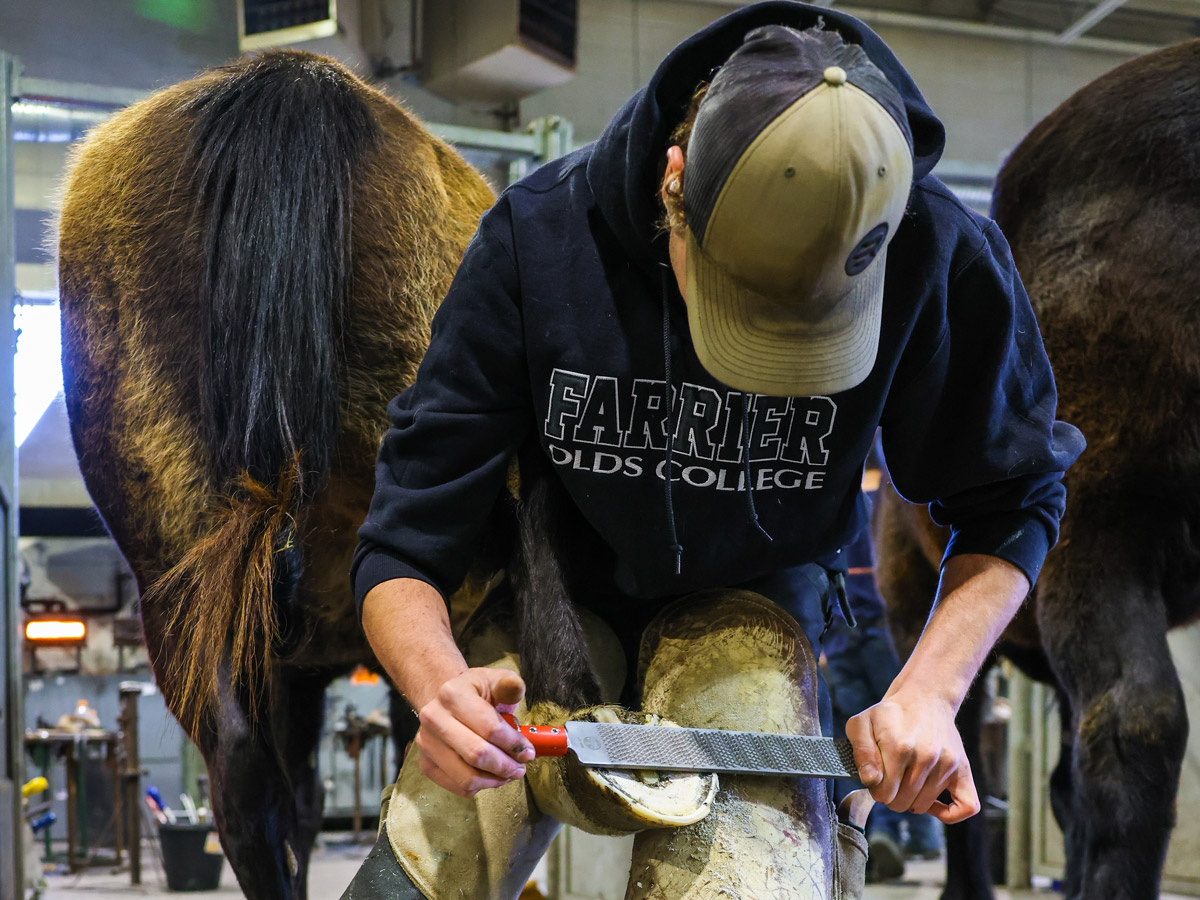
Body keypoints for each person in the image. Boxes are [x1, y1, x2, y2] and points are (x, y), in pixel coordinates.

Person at [350, 1, 1083, 895]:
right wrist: (437, 689)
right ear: (673, 185)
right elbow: (401, 541)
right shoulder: (539, 241)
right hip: (556, 596)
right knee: (420, 877)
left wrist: (928, 690)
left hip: (756, 604)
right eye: (747, 309)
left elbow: (1014, 500)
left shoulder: (940, 252)